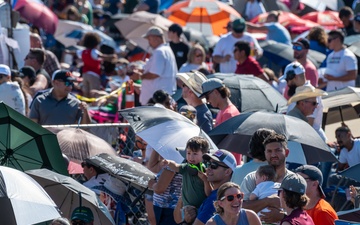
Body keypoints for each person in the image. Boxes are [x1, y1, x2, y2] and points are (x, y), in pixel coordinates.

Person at [241, 133, 295, 224]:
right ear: (265, 154)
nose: (273, 154)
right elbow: (241, 208)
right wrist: (268, 201)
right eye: (269, 151)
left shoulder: (294, 181)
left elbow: (302, 212)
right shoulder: (252, 178)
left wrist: (283, 216)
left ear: (286, 152)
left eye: (278, 150)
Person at [174, 149, 236, 225]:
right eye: (208, 164)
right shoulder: (222, 194)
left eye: (214, 165)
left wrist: (187, 221)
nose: (208, 168)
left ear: (227, 172)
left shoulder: (216, 199)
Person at [283, 62, 327, 142]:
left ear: (294, 77)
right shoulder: (300, 93)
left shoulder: (310, 94)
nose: (287, 83)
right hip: (310, 140)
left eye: (287, 80)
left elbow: (308, 126)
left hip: (312, 142)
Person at [200, 78, 241, 164]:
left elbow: (225, 146)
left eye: (207, 96)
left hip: (226, 165)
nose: (207, 101)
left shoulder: (228, 114)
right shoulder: (223, 111)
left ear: (215, 92)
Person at [162, 136, 210, 209]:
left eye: (195, 153)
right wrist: (168, 162)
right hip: (186, 208)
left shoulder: (206, 170)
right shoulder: (186, 167)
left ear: (204, 154)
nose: (191, 157)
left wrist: (205, 180)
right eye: (188, 153)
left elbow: (209, 193)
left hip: (200, 208)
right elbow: (176, 166)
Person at [137, 26, 177, 105]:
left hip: (156, 99)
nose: (149, 42)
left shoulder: (159, 52)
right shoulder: (166, 50)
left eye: (149, 39)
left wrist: (139, 76)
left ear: (156, 38)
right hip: (161, 97)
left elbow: (154, 74)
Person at [147, 150, 182, 225]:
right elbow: (152, 167)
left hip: (169, 209)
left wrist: (153, 185)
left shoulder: (175, 159)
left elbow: (160, 188)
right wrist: (156, 148)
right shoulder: (169, 159)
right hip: (161, 207)